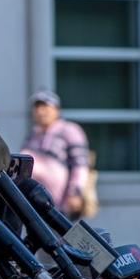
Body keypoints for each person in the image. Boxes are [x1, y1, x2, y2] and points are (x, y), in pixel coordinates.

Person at [21, 90, 90, 218]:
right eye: (37, 107)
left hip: (61, 205)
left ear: (56, 109)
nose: (41, 111)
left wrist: (75, 193)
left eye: (45, 106)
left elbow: (80, 165)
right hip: (35, 204)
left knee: (62, 236)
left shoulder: (69, 130)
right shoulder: (33, 134)